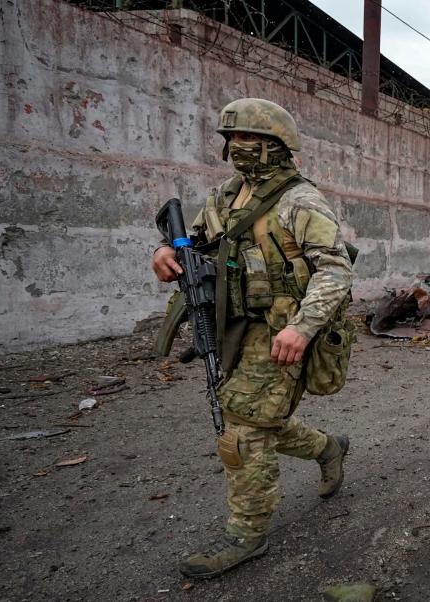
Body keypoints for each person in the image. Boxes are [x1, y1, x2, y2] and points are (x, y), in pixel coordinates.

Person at [152, 98, 353, 577]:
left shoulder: (301, 202)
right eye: (233, 139)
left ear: (277, 146)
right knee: (258, 418)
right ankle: (327, 447)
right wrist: (164, 251)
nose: (239, 148)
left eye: (251, 139)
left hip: (282, 330)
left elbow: (336, 268)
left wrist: (302, 328)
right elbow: (196, 241)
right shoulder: (225, 196)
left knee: (241, 428)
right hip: (235, 328)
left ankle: (247, 534)